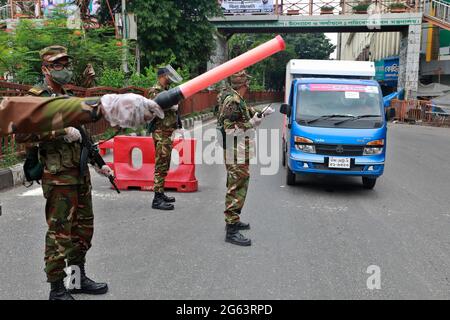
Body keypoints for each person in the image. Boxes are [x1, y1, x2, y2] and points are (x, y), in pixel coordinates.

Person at [13, 46, 113, 300]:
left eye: (66, 64)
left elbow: (84, 137)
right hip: (58, 176)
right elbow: (21, 133)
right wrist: (60, 131)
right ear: (45, 69)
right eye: (58, 65)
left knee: (83, 229)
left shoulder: (68, 95)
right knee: (59, 233)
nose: (64, 69)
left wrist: (98, 163)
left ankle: (76, 280)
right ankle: (56, 289)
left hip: (79, 174)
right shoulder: (37, 98)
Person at [217, 70, 273, 246]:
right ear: (242, 84)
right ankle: (231, 229)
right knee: (236, 186)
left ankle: (234, 220)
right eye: (247, 82)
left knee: (239, 184)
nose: (248, 85)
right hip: (235, 151)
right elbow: (229, 129)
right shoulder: (232, 100)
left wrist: (260, 113)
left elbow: (247, 112)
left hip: (240, 150)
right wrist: (252, 123)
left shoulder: (237, 99)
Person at [147, 67, 182, 211]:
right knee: (161, 163)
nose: (169, 78)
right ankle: (156, 199)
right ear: (162, 76)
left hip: (167, 131)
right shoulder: (155, 90)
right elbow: (153, 107)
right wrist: (170, 107)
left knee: (165, 163)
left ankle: (160, 193)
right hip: (160, 132)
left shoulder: (167, 90)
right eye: (167, 76)